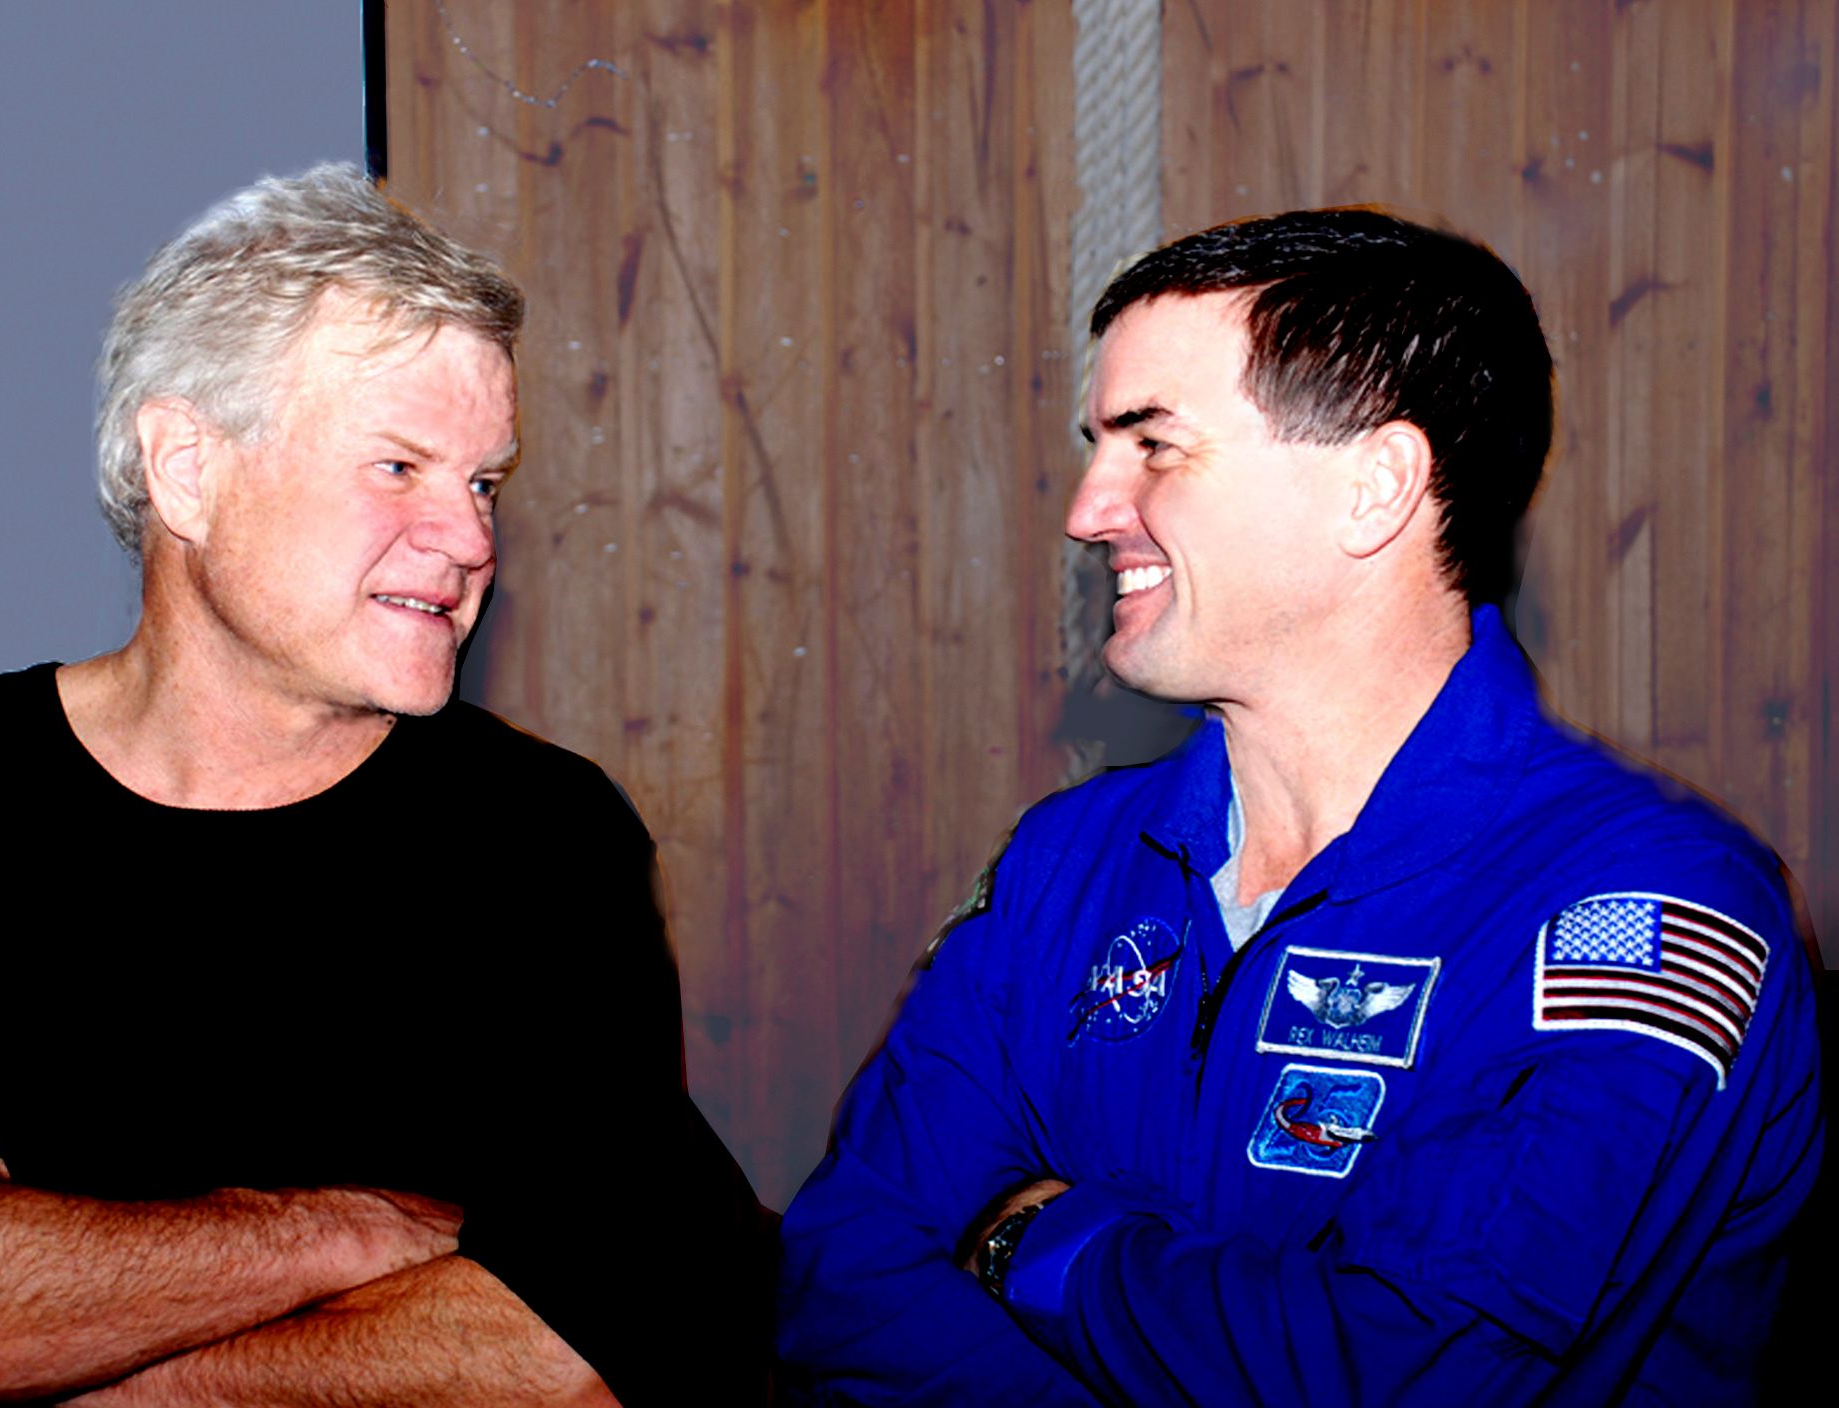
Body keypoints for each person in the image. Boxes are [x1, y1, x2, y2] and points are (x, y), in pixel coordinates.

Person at [775, 209, 1823, 1404]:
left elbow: (1404, 1366)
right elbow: (842, 1277)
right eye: (1098, 446)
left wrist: (1027, 1237)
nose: (1088, 507)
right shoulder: (1065, 861)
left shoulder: (1641, 905)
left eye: (1153, 445)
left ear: (1372, 489)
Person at [0, 164, 768, 1406]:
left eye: (483, 480)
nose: (472, 540)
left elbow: (600, 1333)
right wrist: (344, 1233)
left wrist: (53, 1322)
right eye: (399, 466)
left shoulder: (542, 838)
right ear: (187, 469)